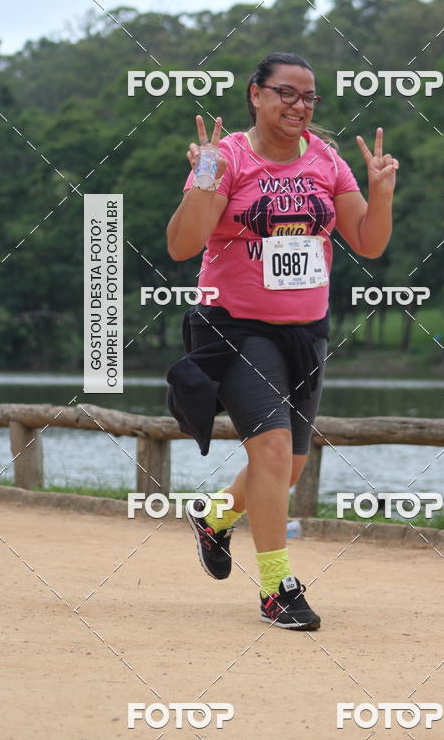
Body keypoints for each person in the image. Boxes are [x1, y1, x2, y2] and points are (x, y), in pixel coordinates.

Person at [166, 52, 398, 631]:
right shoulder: (231, 160)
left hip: (306, 332)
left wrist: (381, 189)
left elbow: (368, 243)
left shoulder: (326, 160)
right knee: (268, 452)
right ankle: (277, 588)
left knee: (288, 468)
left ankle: (214, 516)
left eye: (309, 97)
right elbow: (181, 245)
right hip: (235, 328)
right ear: (256, 95)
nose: (299, 106)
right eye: (287, 94)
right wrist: (203, 178)